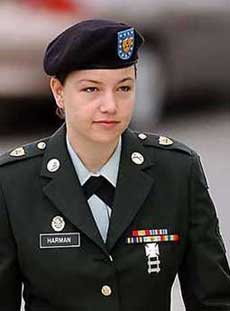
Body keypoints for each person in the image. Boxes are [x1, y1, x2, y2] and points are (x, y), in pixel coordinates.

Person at [0, 19, 229, 311]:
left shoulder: (177, 172)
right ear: (58, 91)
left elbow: (215, 300)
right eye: (91, 90)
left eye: (124, 88)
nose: (110, 105)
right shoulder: (13, 183)